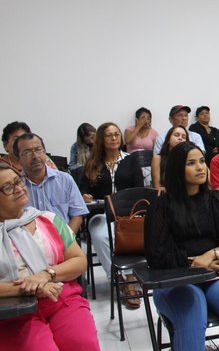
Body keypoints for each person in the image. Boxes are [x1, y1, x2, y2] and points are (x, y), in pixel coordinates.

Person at [144, 142, 219, 351]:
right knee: (192, 312)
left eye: (201, 161)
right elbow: (156, 255)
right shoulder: (161, 206)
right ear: (178, 169)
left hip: (214, 272)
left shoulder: (217, 199)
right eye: (191, 163)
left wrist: (213, 254)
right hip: (175, 277)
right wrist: (193, 262)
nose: (200, 167)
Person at [0, 161, 100, 351]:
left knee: (83, 344)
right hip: (13, 313)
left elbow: (79, 261)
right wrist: (31, 287)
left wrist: (46, 274)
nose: (19, 189)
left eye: (18, 181)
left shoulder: (47, 219)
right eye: (7, 187)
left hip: (60, 299)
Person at [79, 122, 145, 308]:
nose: (115, 138)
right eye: (109, 135)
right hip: (100, 213)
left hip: (128, 215)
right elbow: (83, 190)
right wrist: (85, 195)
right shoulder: (92, 163)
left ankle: (131, 278)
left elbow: (138, 188)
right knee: (101, 235)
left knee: (132, 235)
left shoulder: (130, 159)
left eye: (117, 134)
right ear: (101, 139)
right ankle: (117, 278)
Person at [16, 133, 88, 233]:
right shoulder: (15, 186)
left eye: (38, 150)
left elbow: (78, 214)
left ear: (45, 152)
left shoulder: (65, 179)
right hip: (28, 243)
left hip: (63, 240)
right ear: (18, 159)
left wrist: (67, 241)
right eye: (27, 152)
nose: (35, 156)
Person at [151, 126, 189, 192]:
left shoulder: (189, 159)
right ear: (168, 140)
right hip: (167, 196)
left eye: (183, 137)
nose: (180, 138)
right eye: (177, 135)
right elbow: (157, 187)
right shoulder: (158, 159)